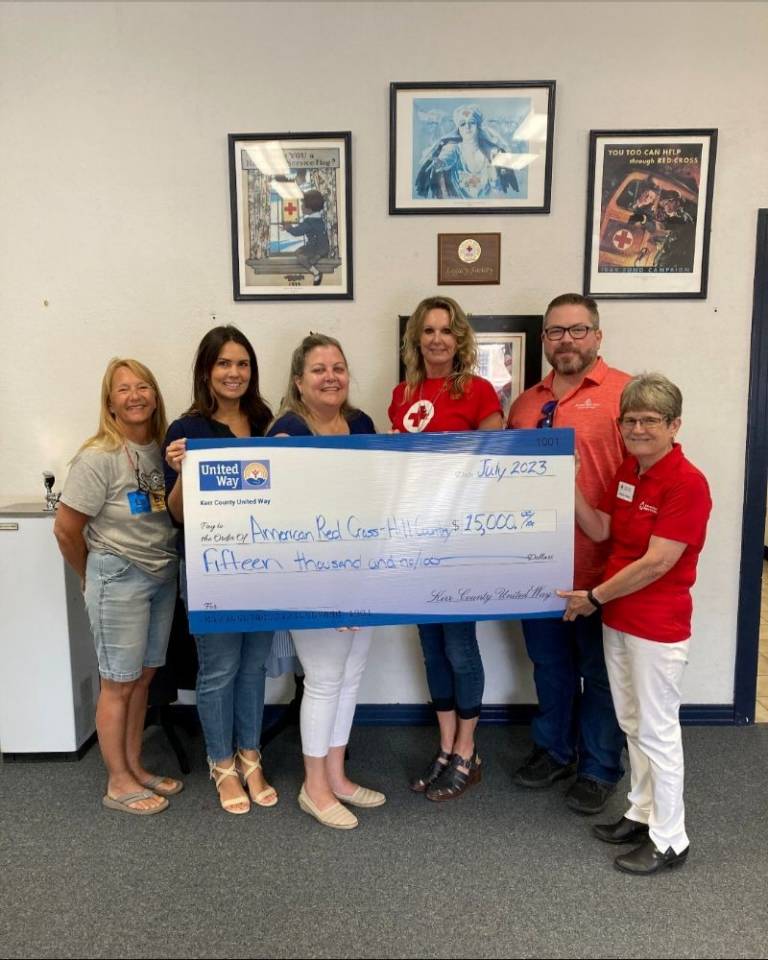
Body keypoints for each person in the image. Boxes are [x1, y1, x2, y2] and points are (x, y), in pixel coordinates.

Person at [558, 373, 711, 875]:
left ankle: (671, 838)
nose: (639, 428)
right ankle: (641, 813)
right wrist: (573, 482)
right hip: (617, 617)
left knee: (660, 730)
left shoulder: (687, 483)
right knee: (631, 723)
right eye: (630, 419)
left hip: (656, 625)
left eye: (650, 420)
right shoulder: (629, 470)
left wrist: (594, 596)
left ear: (674, 425)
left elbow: (657, 561)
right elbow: (602, 529)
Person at [506, 293, 629, 814]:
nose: (567, 341)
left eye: (578, 330)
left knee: (600, 672)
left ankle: (599, 767)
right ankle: (554, 749)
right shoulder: (525, 404)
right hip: (537, 568)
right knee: (549, 665)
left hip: (602, 568)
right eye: (556, 332)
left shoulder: (625, 394)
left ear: (597, 336)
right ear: (544, 341)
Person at [389, 296, 503, 800]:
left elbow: (495, 468)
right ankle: (445, 746)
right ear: (417, 339)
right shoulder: (401, 393)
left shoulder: (478, 392)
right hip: (415, 541)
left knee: (459, 646)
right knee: (431, 647)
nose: (436, 339)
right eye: (428, 330)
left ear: (460, 339)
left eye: (446, 330)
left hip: (459, 543)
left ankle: (467, 749)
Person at [54, 358, 179, 815]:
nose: (135, 396)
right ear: (110, 401)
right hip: (118, 576)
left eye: (143, 386)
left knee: (143, 677)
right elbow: (66, 530)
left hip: (161, 575)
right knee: (117, 683)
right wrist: (91, 576)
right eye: (124, 389)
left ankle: (134, 766)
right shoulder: (98, 456)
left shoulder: (162, 449)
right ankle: (118, 782)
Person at [268, 333, 383, 830]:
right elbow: (284, 516)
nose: (331, 376)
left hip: (363, 570)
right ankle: (313, 788)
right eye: (319, 369)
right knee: (323, 679)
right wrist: (329, 590)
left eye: (338, 366)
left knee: (351, 675)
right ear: (299, 380)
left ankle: (336, 776)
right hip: (314, 577)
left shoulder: (361, 424)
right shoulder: (287, 431)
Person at [163, 326, 278, 815]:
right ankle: (220, 762)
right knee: (219, 669)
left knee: (254, 667)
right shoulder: (184, 432)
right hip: (213, 570)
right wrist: (184, 472)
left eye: (243, 364)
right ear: (206, 371)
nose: (234, 373)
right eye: (224, 364)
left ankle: (250, 755)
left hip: (264, 565)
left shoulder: (266, 420)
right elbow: (178, 515)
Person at [414, 103, 519, 200]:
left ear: (478, 126)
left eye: (472, 123)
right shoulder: (453, 148)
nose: (467, 127)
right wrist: (440, 163)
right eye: (462, 124)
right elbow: (446, 159)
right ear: (458, 129)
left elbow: (499, 191)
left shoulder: (492, 152)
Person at [282, 189, 330, 286]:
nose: (301, 207)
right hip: (322, 246)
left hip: (317, 248)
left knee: (301, 258)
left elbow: (297, 232)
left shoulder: (310, 222)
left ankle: (316, 273)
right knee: (298, 251)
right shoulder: (318, 219)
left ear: (310, 208)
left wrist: (289, 228)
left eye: (303, 205)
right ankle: (315, 259)